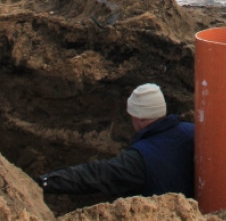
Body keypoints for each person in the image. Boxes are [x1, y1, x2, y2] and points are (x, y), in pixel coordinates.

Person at [36, 83, 195, 199]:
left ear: (137, 116)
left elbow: (96, 176)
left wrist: (45, 182)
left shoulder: (140, 159)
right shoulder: (194, 132)